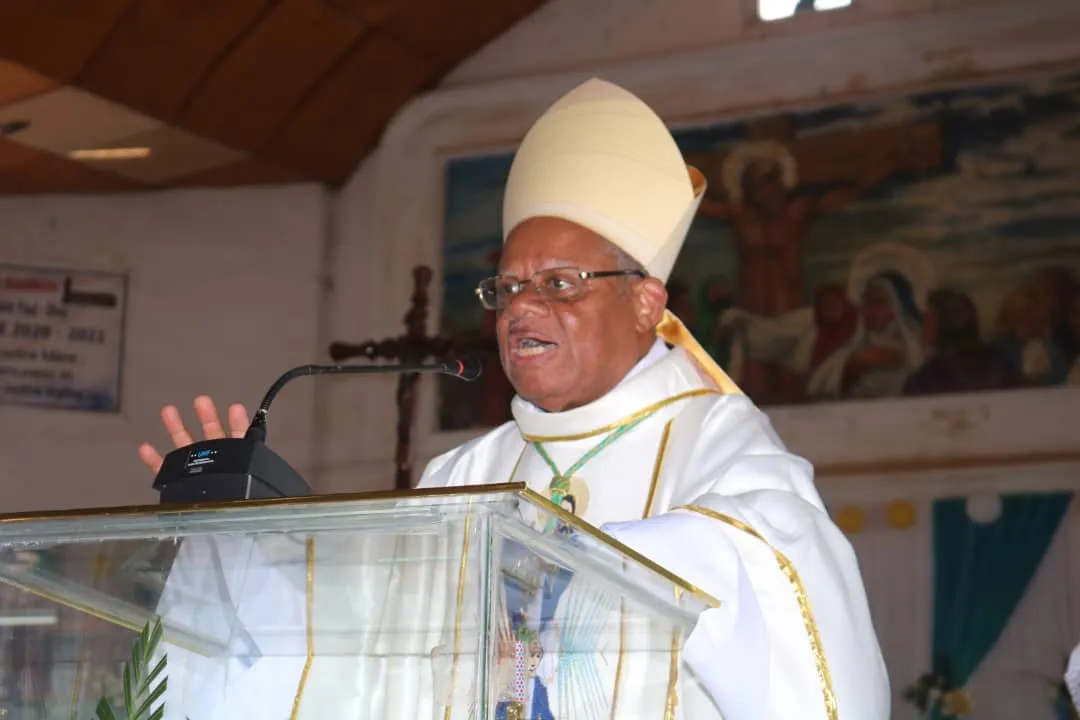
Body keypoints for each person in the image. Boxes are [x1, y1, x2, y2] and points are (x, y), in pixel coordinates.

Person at [139, 79, 889, 719]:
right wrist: (238, 543)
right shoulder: (463, 476)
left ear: (645, 301)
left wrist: (576, 556)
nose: (521, 309)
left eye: (558, 284)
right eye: (507, 288)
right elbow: (359, 650)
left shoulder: (713, 436)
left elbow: (781, 576)